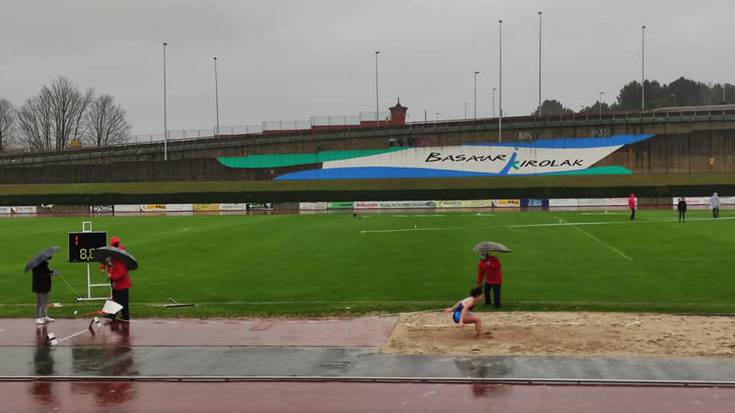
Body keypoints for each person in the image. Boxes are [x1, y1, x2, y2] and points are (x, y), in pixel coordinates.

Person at [102, 236, 131, 321]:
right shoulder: (118, 257)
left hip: (122, 285)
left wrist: (111, 276)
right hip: (119, 284)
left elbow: (121, 273)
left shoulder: (120, 260)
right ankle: (114, 315)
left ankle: (124, 316)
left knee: (122, 301)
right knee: (117, 299)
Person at [32, 258, 56, 325]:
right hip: (39, 288)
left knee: (46, 303)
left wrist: (52, 272)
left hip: (46, 286)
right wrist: (49, 274)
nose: (49, 260)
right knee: (40, 303)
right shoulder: (36, 266)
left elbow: (46, 272)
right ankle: (38, 318)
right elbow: (39, 276)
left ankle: (44, 316)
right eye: (48, 259)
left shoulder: (45, 265)